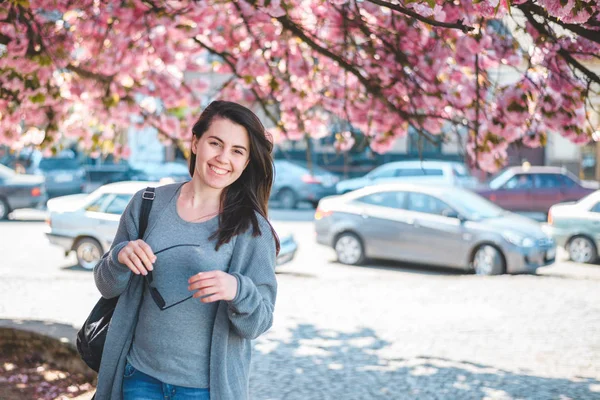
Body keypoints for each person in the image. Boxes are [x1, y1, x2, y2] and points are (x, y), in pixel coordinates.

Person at [92, 100, 280, 400]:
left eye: (237, 151)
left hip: (205, 389)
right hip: (138, 378)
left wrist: (237, 289)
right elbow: (106, 285)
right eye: (215, 143)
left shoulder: (252, 229)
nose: (223, 158)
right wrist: (119, 258)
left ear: (246, 163)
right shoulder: (147, 203)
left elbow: (258, 323)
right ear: (195, 143)